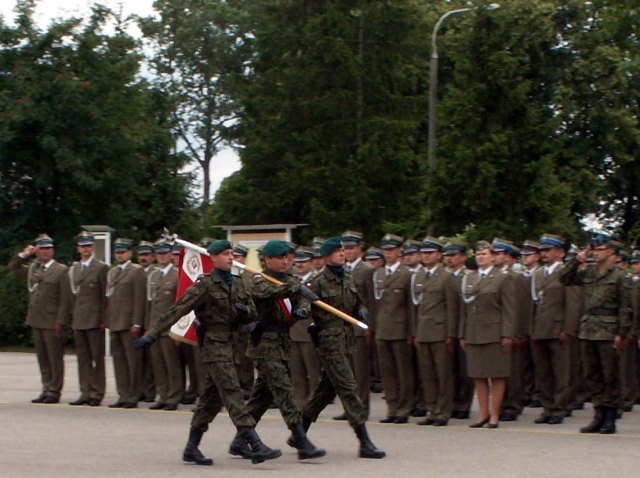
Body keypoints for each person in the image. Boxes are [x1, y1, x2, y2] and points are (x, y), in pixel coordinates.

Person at [134, 240, 281, 466]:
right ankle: (254, 443)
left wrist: (246, 313)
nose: (230, 257)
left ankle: (191, 448)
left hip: (232, 347)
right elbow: (178, 309)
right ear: (212, 258)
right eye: (224, 254)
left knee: (210, 401)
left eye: (232, 253)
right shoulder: (205, 285)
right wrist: (153, 334)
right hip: (214, 346)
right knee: (233, 393)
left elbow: (251, 313)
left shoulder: (238, 283)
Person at [229, 240, 325, 461]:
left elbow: (303, 300)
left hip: (283, 340)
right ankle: (301, 440)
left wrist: (301, 309)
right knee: (283, 390)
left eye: (288, 257)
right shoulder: (258, 280)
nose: (286, 261)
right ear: (267, 260)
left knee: (262, 396)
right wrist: (295, 288)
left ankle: (240, 440)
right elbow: (269, 292)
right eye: (281, 258)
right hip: (265, 342)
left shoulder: (291, 279)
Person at [295, 237, 385, 458]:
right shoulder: (317, 281)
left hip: (346, 340)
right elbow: (305, 305)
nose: (342, 254)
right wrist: (303, 309)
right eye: (337, 252)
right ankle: (364, 441)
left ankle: (299, 432)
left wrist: (361, 310)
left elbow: (357, 301)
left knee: (326, 391)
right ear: (326, 257)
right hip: (328, 342)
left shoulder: (348, 278)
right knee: (348, 387)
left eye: (343, 251)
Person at [560, 234, 632, 434]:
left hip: (609, 329)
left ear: (611, 252)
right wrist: (578, 258)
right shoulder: (589, 273)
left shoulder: (620, 275)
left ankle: (610, 416)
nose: (596, 252)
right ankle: (598, 414)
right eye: (594, 249)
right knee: (592, 375)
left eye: (600, 249)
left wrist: (622, 333)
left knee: (610, 375)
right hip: (589, 328)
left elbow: (626, 307)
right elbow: (564, 278)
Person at [9, 234, 71, 404]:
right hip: (36, 319)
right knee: (42, 358)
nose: (45, 252)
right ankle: (46, 387)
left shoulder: (61, 270)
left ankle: (54, 390)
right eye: (42, 249)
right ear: (37, 250)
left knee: (54, 358)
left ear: (53, 251)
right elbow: (14, 267)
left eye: (48, 249)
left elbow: (66, 299)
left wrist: (61, 321)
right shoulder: (33, 269)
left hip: (52, 321)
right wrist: (26, 253)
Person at [460, 241, 515, 428]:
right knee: (479, 375)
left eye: (484, 253)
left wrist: (507, 334)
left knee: (497, 375)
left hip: (494, 332)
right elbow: (465, 309)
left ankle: (495, 414)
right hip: (474, 332)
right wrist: (462, 334)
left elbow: (509, 309)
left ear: (493, 256)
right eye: (478, 254)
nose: (480, 257)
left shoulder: (502, 278)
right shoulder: (470, 278)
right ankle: (483, 413)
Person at [529, 234, 581, 424]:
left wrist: (568, 329)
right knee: (543, 373)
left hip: (558, 328)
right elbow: (533, 304)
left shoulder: (567, 273)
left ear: (560, 252)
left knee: (561, 372)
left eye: (548, 250)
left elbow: (573, 304)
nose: (544, 254)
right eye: (542, 250)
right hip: (540, 329)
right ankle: (547, 407)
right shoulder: (538, 274)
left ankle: (560, 408)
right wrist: (531, 328)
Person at [412, 236, 457, 426]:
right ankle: (431, 409)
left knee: (443, 374)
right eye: (424, 253)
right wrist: (415, 332)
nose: (426, 256)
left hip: (440, 331)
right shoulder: (419, 276)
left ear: (439, 255)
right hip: (423, 331)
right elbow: (415, 307)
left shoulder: (446, 277)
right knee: (427, 374)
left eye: (430, 253)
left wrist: (451, 333)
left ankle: (443, 411)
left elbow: (452, 307)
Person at [371, 233, 415, 423]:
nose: (388, 254)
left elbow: (411, 306)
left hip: (400, 329)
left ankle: (404, 408)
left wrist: (411, 332)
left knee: (403, 371)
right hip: (382, 328)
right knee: (387, 372)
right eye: (386, 251)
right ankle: (392, 407)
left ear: (399, 252)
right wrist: (373, 327)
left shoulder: (406, 274)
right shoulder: (378, 274)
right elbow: (375, 305)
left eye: (392, 250)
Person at [333, 230, 375, 420]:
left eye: (351, 248)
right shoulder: (342, 269)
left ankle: (362, 408)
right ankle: (349, 406)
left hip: (359, 326)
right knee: (346, 371)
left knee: (360, 371)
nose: (347, 252)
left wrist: (369, 326)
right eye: (344, 249)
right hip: (343, 326)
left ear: (360, 248)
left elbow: (371, 301)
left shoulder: (366, 270)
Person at [68, 231, 109, 406]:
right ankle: (85, 391)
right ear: (78, 248)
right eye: (83, 246)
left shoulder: (101, 268)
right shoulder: (74, 268)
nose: (86, 249)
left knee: (97, 358)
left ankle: (97, 392)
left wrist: (103, 318)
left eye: (88, 246)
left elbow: (105, 296)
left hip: (94, 319)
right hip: (79, 319)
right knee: (83, 359)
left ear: (93, 247)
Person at [106, 238, 147, 409]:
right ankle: (122, 394)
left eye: (123, 252)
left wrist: (137, 322)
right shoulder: (113, 272)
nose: (120, 255)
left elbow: (140, 299)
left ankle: (133, 395)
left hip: (129, 323)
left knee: (133, 362)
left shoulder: (136, 271)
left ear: (130, 253)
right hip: (115, 322)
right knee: (119, 362)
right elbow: (109, 298)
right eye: (118, 252)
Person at [146, 240, 182, 411]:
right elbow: (151, 304)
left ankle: (174, 397)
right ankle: (163, 395)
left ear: (170, 255)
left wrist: (178, 329)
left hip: (169, 328)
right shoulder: (154, 276)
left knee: (171, 365)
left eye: (165, 253)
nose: (162, 256)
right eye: (159, 253)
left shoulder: (177, 275)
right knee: (158, 365)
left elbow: (181, 304)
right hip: (155, 327)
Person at [443, 239, 474, 419]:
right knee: (448, 369)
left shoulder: (469, 276)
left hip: (464, 327)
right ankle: (452, 401)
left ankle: (464, 404)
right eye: (447, 255)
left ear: (463, 257)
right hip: (445, 327)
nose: (449, 259)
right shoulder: (443, 276)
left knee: (464, 369)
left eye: (453, 255)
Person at [289, 246, 321, 408]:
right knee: (297, 371)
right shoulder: (291, 281)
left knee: (312, 370)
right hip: (293, 331)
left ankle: (314, 401)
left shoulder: (318, 281)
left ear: (312, 263)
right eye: (297, 262)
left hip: (310, 331)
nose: (300, 265)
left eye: (304, 262)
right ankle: (300, 401)